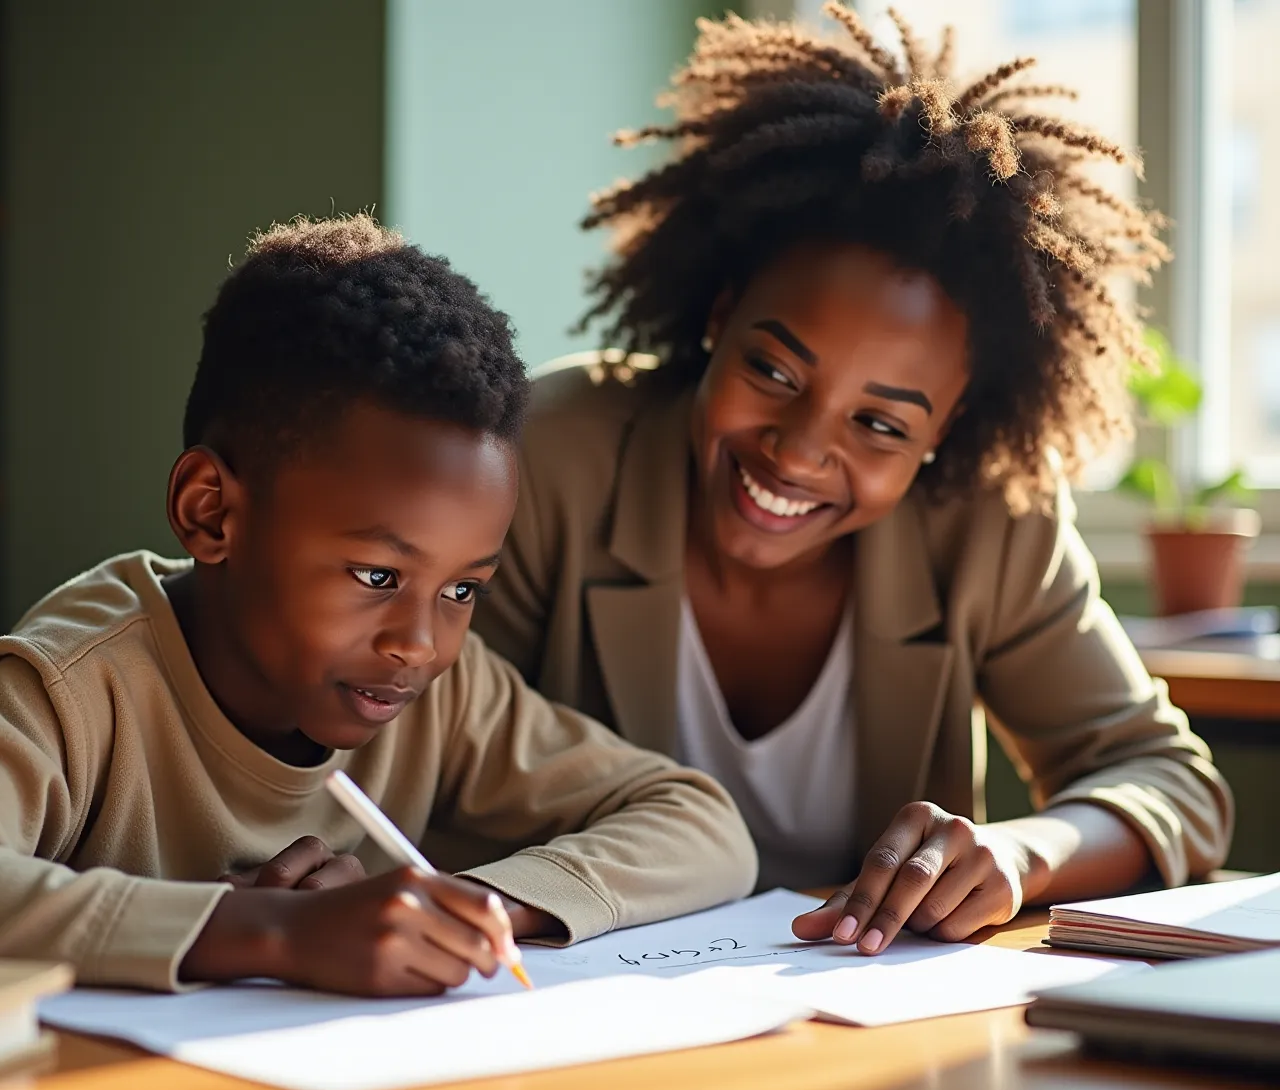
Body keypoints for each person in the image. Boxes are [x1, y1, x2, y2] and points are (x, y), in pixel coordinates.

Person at [472, 4, 1233, 958]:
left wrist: (1018, 855)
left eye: (879, 423)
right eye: (774, 373)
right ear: (719, 317)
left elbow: (1167, 781)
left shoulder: (991, 518)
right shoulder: (554, 454)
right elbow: (422, 754)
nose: (795, 453)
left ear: (945, 428)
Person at [0, 214, 756, 996]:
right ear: (211, 512)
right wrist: (271, 933)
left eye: (463, 589)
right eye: (377, 576)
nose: (420, 642)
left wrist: (459, 910)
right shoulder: (82, 683)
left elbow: (703, 824)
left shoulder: (440, 695)